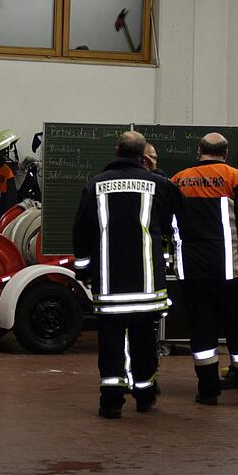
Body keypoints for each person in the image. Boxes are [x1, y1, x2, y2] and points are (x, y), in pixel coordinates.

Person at [73, 131, 183, 418]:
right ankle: (145, 393)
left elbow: (82, 231)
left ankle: (111, 401)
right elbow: (177, 219)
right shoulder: (159, 184)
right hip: (147, 286)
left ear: (116, 151)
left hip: (109, 286)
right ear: (142, 156)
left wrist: (83, 269)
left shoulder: (94, 186)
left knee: (110, 342)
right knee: (144, 340)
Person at [170, 132, 238, 405]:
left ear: (199, 151)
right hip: (231, 271)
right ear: (226, 153)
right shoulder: (235, 179)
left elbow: (166, 223)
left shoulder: (178, 180)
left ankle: (207, 390)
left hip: (192, 272)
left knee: (201, 329)